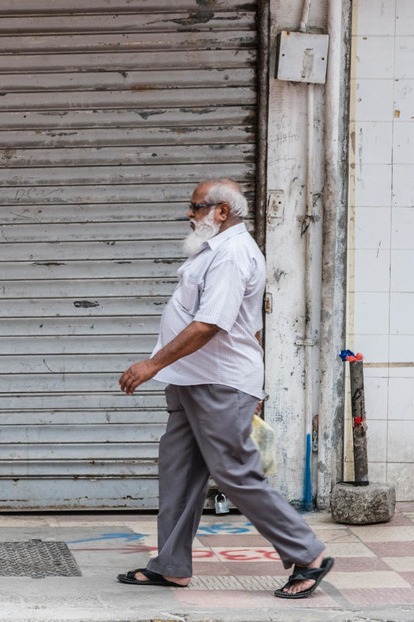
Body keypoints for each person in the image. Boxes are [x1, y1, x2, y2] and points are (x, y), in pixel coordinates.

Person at [115, 178, 333, 599]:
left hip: (218, 383)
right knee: (177, 473)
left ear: (221, 211)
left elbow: (210, 324)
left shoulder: (232, 254)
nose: (189, 214)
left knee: (236, 474)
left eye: (196, 206)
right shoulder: (211, 252)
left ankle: (309, 555)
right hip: (192, 381)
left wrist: (152, 365)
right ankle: (171, 565)